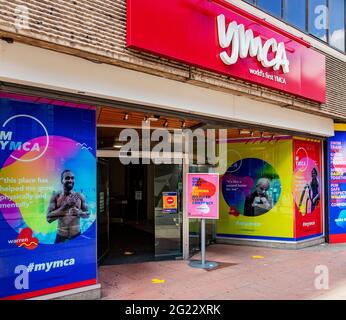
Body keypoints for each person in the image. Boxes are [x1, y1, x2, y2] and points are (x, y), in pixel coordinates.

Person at [47, 169, 90, 243]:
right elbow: (49, 219)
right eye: (67, 178)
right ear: (62, 180)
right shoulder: (56, 196)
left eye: (72, 178)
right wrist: (65, 206)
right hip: (60, 237)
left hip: (77, 236)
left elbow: (88, 214)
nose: (70, 180)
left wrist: (79, 213)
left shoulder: (80, 196)